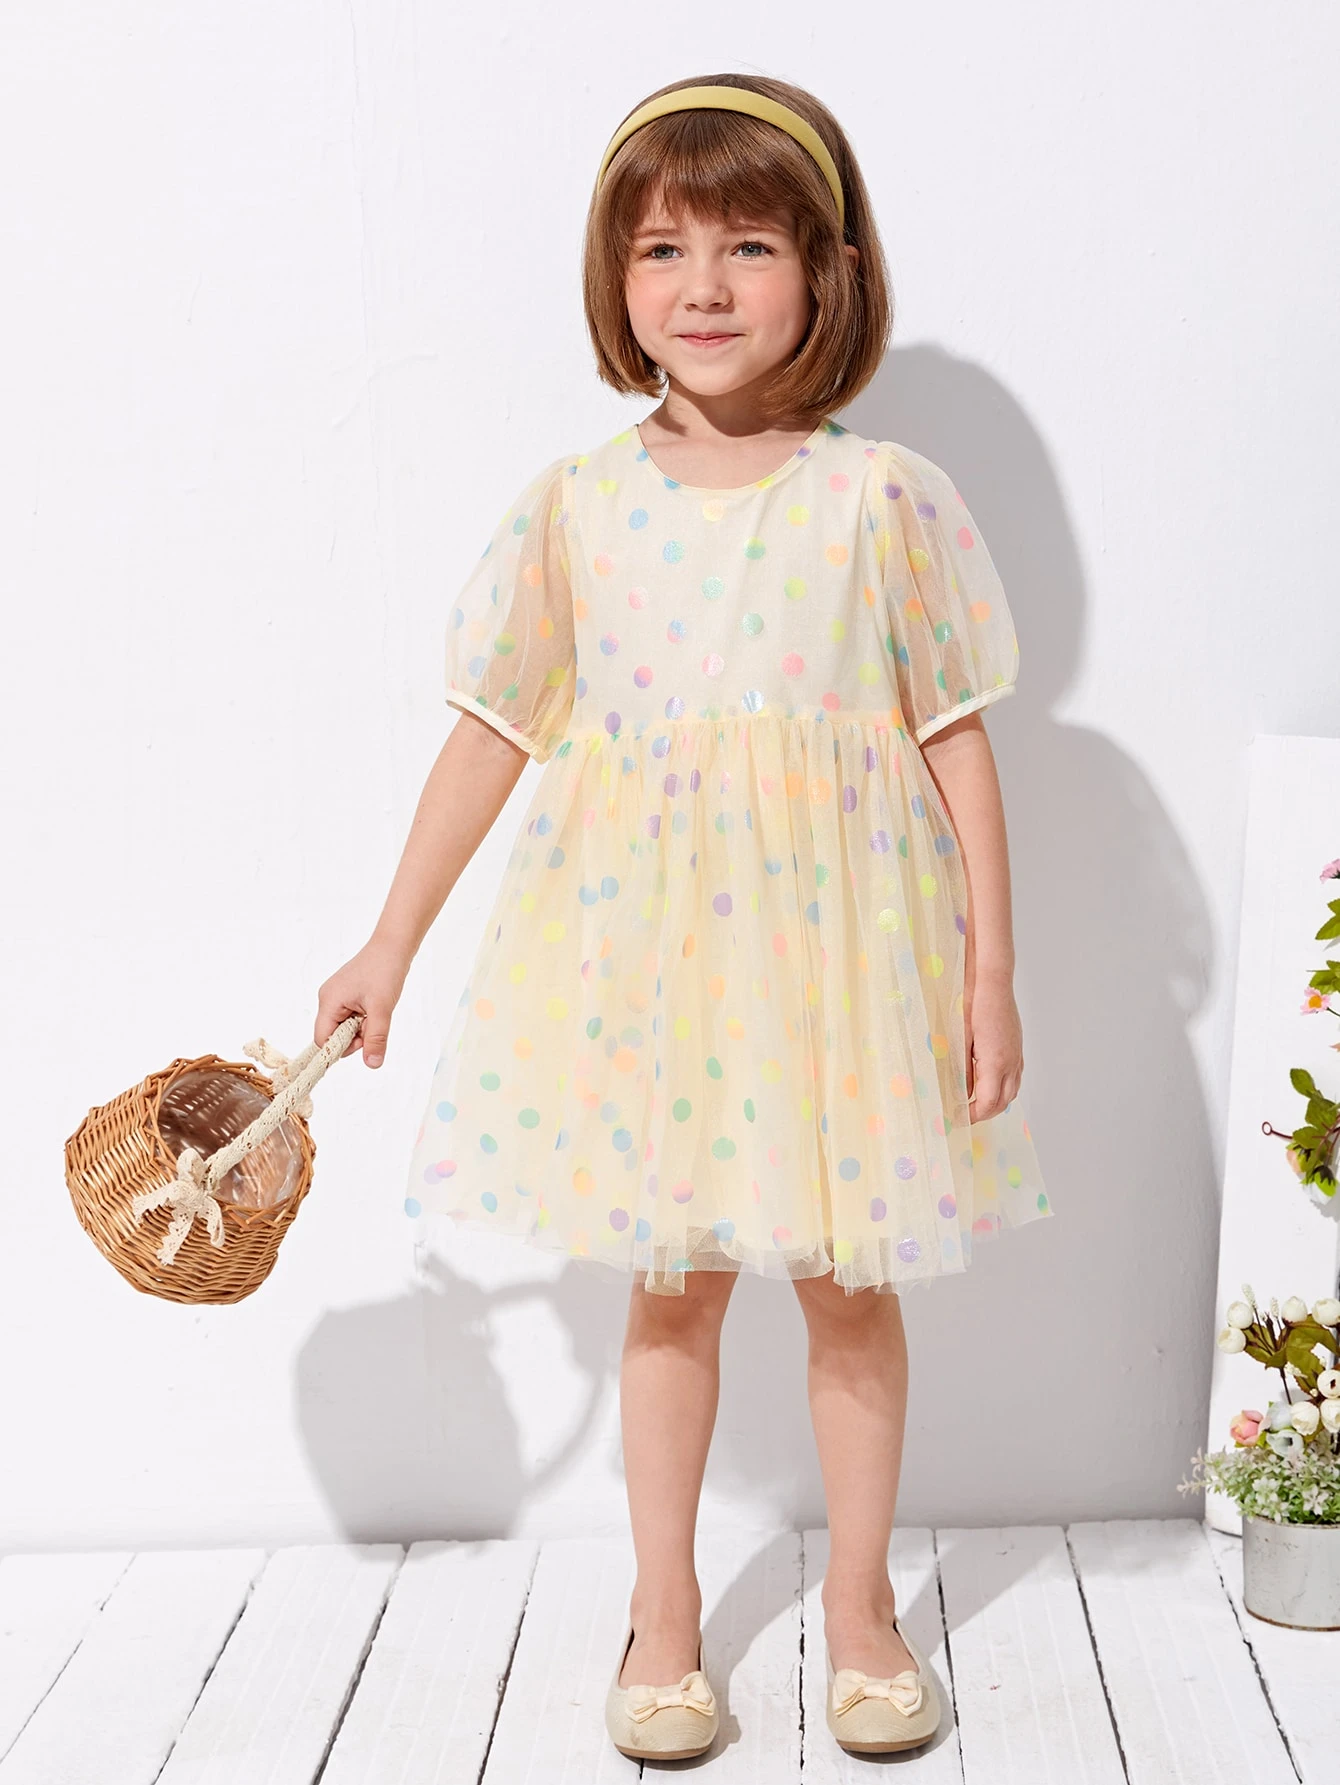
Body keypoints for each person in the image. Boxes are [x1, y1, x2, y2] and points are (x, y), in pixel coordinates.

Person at [315, 72, 1053, 1762]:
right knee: (672, 1293)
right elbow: (492, 731)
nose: (703, 286)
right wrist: (386, 942)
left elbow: (954, 737)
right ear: (615, 277)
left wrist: (992, 970)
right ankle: (663, 1612)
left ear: (829, 272)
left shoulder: (882, 500)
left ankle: (860, 1609)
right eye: (662, 249)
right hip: (656, 978)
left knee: (851, 1288)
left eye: (748, 246)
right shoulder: (578, 506)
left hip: (841, 979)